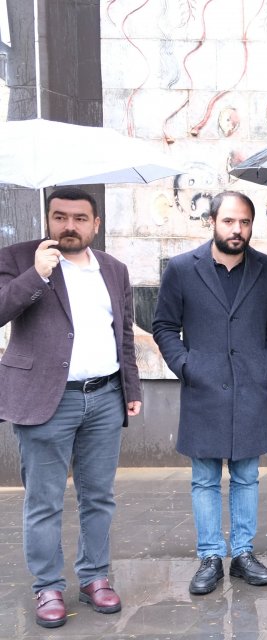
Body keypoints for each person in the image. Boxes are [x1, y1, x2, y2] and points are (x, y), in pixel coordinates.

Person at [0, 187, 142, 629]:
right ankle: (47, 586)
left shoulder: (114, 269)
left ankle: (95, 577)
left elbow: (125, 334)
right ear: (48, 219)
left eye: (80, 218)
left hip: (103, 397)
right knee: (43, 500)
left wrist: (131, 387)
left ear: (95, 224)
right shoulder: (21, 258)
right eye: (59, 217)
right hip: (46, 398)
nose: (69, 226)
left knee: (98, 496)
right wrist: (37, 276)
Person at [153, 191, 267, 595]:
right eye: (229, 221)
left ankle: (243, 553)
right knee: (205, 478)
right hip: (203, 387)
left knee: (247, 476)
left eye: (245, 222)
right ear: (212, 220)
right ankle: (210, 556)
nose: (237, 229)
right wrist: (187, 366)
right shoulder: (181, 268)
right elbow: (163, 326)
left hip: (250, 384)